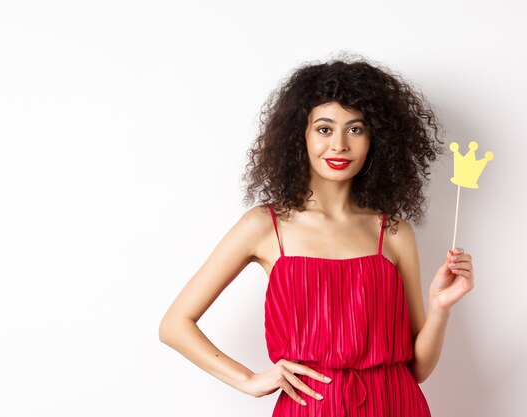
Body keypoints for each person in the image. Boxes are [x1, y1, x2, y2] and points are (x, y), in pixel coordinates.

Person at [158, 54, 475, 416]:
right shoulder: (265, 226)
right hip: (310, 409)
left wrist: (440, 308)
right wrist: (248, 380)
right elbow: (174, 325)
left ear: (376, 139)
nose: (339, 145)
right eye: (325, 129)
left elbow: (418, 370)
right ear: (301, 136)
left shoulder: (393, 231)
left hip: (395, 405)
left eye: (355, 129)